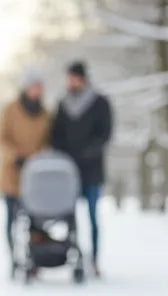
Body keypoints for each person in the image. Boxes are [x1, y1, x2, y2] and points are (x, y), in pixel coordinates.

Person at [51, 61, 113, 276]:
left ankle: (94, 260)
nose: (70, 82)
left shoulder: (100, 103)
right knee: (70, 218)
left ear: (82, 78)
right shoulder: (63, 104)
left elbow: (105, 133)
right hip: (69, 172)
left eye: (73, 77)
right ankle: (75, 256)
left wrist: (89, 152)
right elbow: (56, 135)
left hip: (92, 171)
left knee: (93, 217)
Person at [0, 66, 50, 268]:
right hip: (12, 174)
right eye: (33, 86)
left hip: (35, 176)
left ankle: (34, 257)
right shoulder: (10, 110)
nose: (36, 90)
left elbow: (47, 140)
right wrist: (15, 156)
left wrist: (38, 157)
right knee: (12, 220)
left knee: (35, 220)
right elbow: (2, 139)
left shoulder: (45, 113)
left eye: (39, 86)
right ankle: (13, 258)